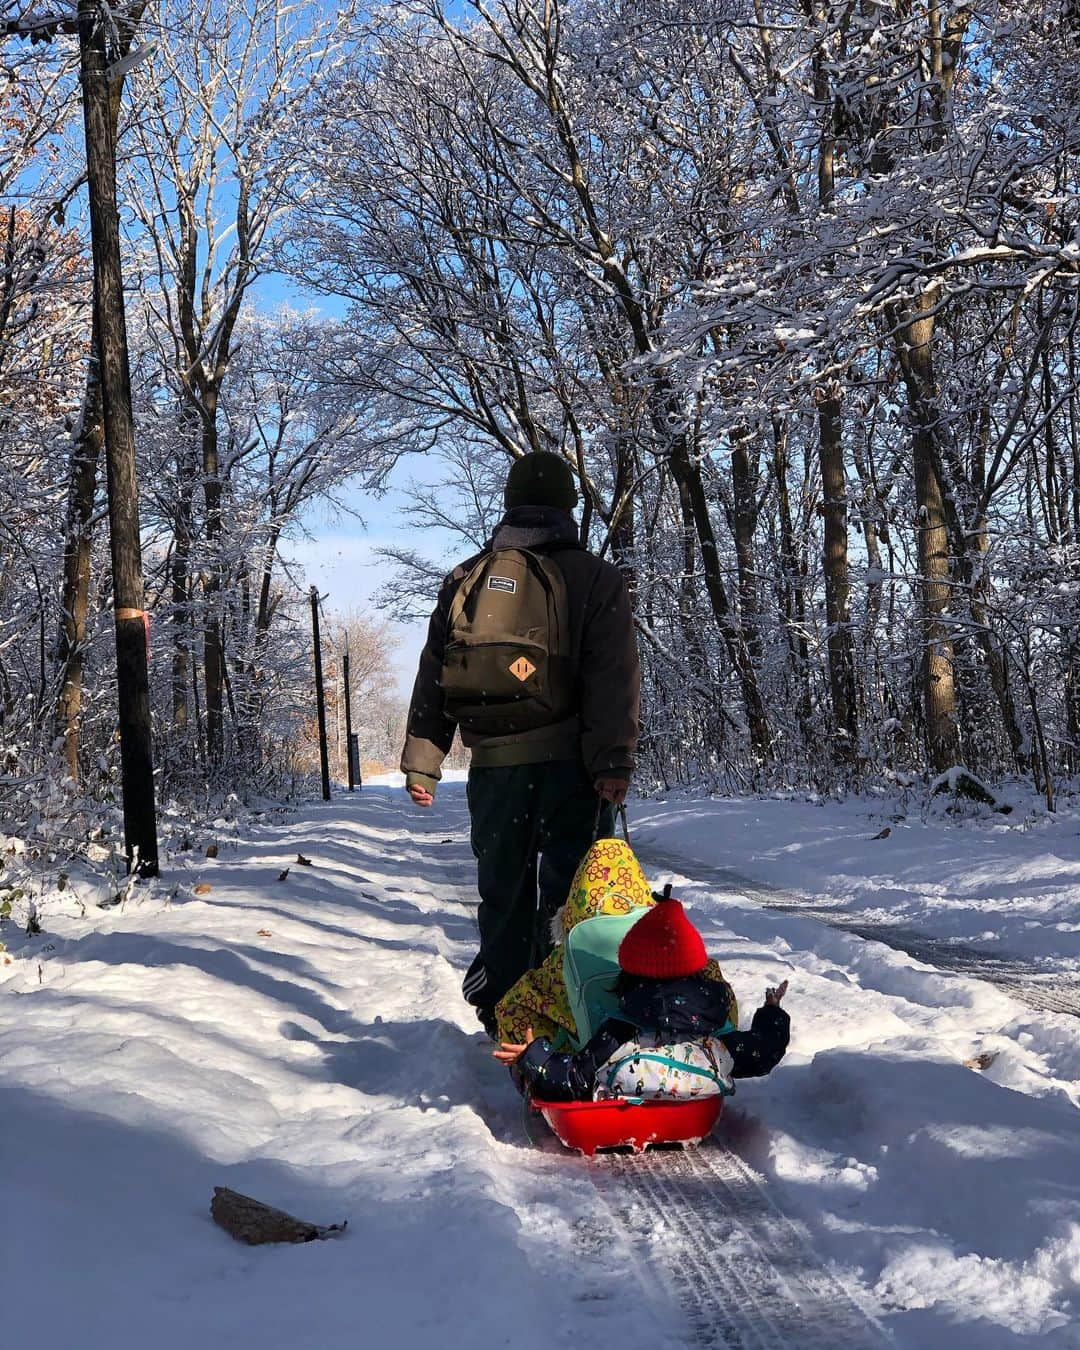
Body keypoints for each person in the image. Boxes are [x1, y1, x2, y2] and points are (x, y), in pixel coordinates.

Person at [401, 451, 640, 1037]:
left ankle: (505, 1013)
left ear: (510, 504)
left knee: (502, 891)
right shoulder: (596, 578)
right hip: (571, 772)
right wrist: (612, 761)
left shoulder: (466, 578)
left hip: (495, 770)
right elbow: (613, 676)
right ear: (568, 506)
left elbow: (434, 671)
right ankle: (564, 1012)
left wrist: (423, 763)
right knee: (569, 898)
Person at [494, 894, 790, 1102]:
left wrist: (533, 1056)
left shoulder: (620, 1031)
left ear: (629, 976)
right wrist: (772, 1013)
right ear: (700, 972)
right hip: (694, 1115)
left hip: (624, 1117)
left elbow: (570, 1081)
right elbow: (762, 1052)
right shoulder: (713, 1029)